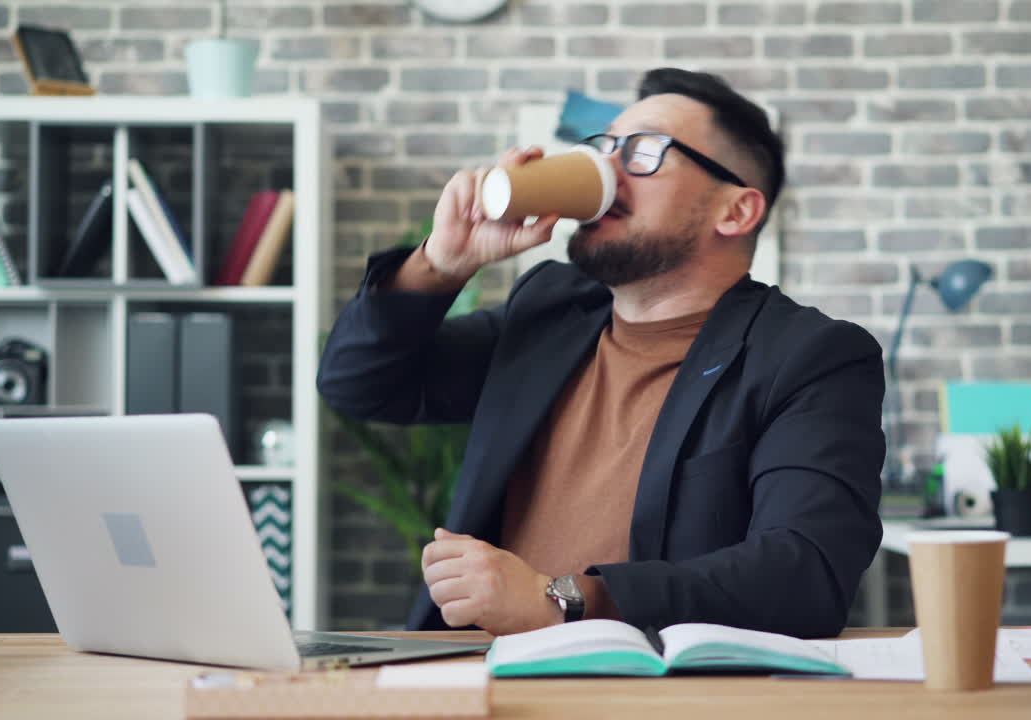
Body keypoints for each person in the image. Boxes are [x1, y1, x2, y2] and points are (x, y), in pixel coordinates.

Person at [318, 67, 885, 639]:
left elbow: (805, 573)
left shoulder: (809, 357)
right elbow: (360, 384)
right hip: (478, 675)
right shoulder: (550, 308)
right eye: (604, 145)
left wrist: (564, 600)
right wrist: (441, 264)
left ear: (735, 211)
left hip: (647, 691)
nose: (606, 169)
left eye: (643, 152)